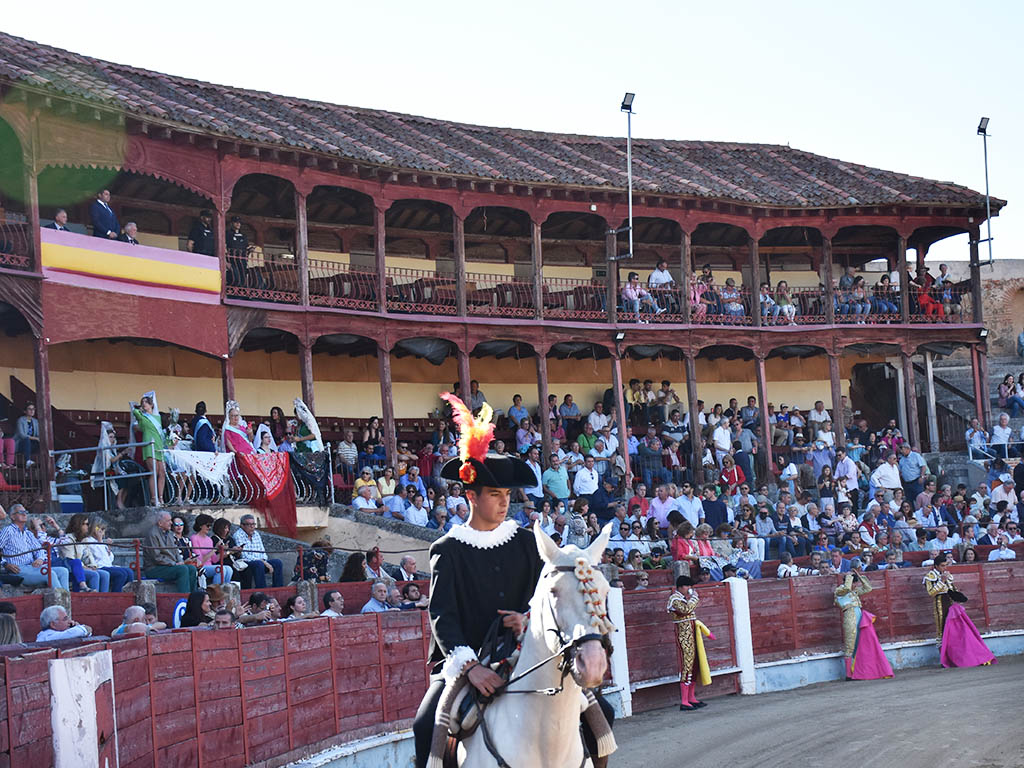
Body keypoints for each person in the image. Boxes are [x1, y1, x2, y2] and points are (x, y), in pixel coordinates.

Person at [413, 393, 613, 768]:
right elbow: (442, 614)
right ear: (470, 496)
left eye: (506, 494)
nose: (504, 502)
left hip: (524, 651)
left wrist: (526, 620)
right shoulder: (448, 548)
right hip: (467, 658)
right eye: (493, 494)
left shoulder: (525, 541)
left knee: (604, 717)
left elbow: (543, 597)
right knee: (426, 725)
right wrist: (471, 667)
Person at [923, 553, 995, 667]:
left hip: (951, 604)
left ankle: (955, 656)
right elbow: (931, 593)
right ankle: (944, 659)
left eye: (946, 565)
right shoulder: (930, 576)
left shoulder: (947, 574)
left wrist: (958, 596)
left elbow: (952, 589)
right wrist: (941, 581)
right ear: (936, 566)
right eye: (942, 566)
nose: (945, 568)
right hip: (940, 605)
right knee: (941, 632)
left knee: (955, 630)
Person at [834, 572, 894, 680]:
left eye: (856, 583)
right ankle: (848, 675)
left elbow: (868, 588)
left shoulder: (854, 591)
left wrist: (859, 575)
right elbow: (847, 588)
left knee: (860, 644)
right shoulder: (840, 590)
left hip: (859, 617)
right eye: (854, 583)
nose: (855, 586)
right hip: (850, 618)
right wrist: (849, 577)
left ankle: (858, 671)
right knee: (850, 645)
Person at [667, 575, 712, 711]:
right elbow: (686, 610)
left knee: (693, 666)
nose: (689, 589)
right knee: (686, 667)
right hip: (684, 638)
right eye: (687, 586)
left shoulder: (683, 599)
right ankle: (684, 701)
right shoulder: (674, 599)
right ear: (680, 587)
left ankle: (691, 698)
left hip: (692, 636)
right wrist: (694, 598)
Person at [0, 504, 71, 589]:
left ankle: (66, 600)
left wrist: (40, 559)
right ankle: (62, 600)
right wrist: (5, 564)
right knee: (49, 574)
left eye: (25, 512)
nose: (24, 514)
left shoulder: (28, 533)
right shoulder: (7, 531)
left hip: (31, 567)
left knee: (63, 571)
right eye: (20, 512)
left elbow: (39, 549)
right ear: (12, 516)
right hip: (18, 570)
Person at [144, 511, 198, 593]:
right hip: (154, 568)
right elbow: (156, 557)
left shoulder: (169, 533)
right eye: (168, 521)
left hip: (169, 565)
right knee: (182, 570)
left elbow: (175, 550)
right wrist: (174, 564)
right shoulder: (152, 534)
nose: (171, 523)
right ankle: (184, 599)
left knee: (192, 569)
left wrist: (181, 561)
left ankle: (194, 598)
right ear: (160, 523)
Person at [131, 392, 166, 505]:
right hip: (149, 446)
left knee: (162, 472)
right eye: (143, 402)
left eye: (146, 402)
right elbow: (135, 412)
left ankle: (161, 497)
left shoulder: (157, 418)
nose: (144, 404)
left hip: (158, 445)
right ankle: (153, 497)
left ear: (152, 405)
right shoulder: (142, 417)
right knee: (153, 471)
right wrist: (139, 408)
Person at [232, 514, 284, 588]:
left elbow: (262, 552)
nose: (252, 527)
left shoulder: (256, 534)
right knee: (258, 564)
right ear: (242, 526)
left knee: (277, 562)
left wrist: (265, 561)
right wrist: (264, 563)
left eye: (253, 524)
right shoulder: (238, 535)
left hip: (261, 562)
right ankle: (262, 590)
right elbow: (244, 556)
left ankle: (278, 589)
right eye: (249, 524)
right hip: (246, 563)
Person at [14, 402, 40, 467]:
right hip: (21, 444)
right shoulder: (21, 420)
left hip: (31, 445)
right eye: (29, 409)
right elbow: (22, 435)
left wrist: (40, 439)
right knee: (27, 439)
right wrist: (36, 438)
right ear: (25, 411)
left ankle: (44, 460)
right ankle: (27, 461)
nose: (32, 411)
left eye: (33, 409)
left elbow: (38, 434)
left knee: (41, 441)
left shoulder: (35, 421)